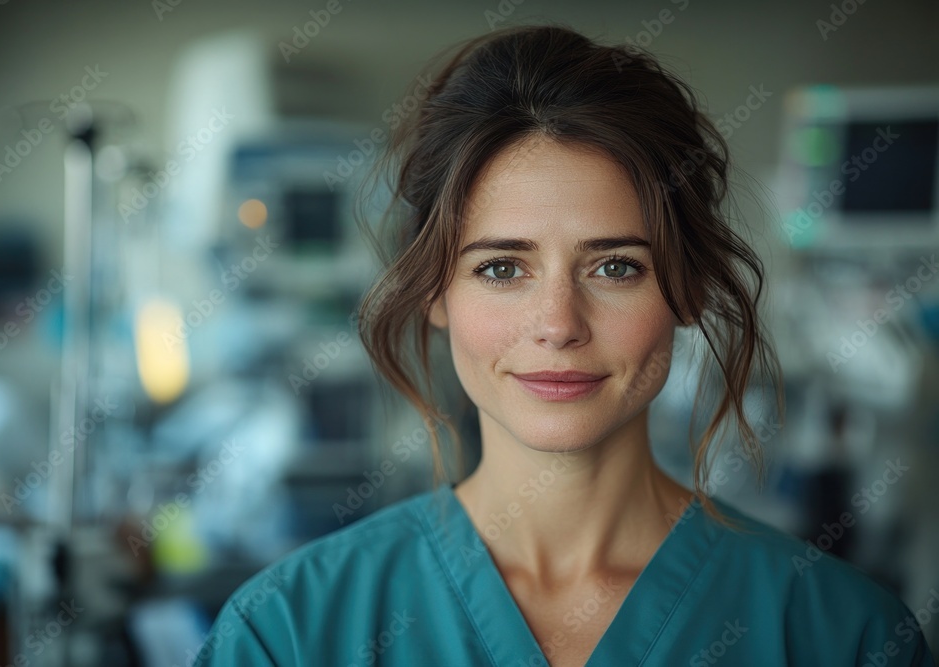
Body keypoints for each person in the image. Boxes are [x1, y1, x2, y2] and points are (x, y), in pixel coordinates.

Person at [193, 23, 936, 667]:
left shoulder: (838, 636)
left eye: (615, 266)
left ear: (686, 288)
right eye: (501, 268)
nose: (557, 323)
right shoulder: (290, 632)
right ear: (434, 293)